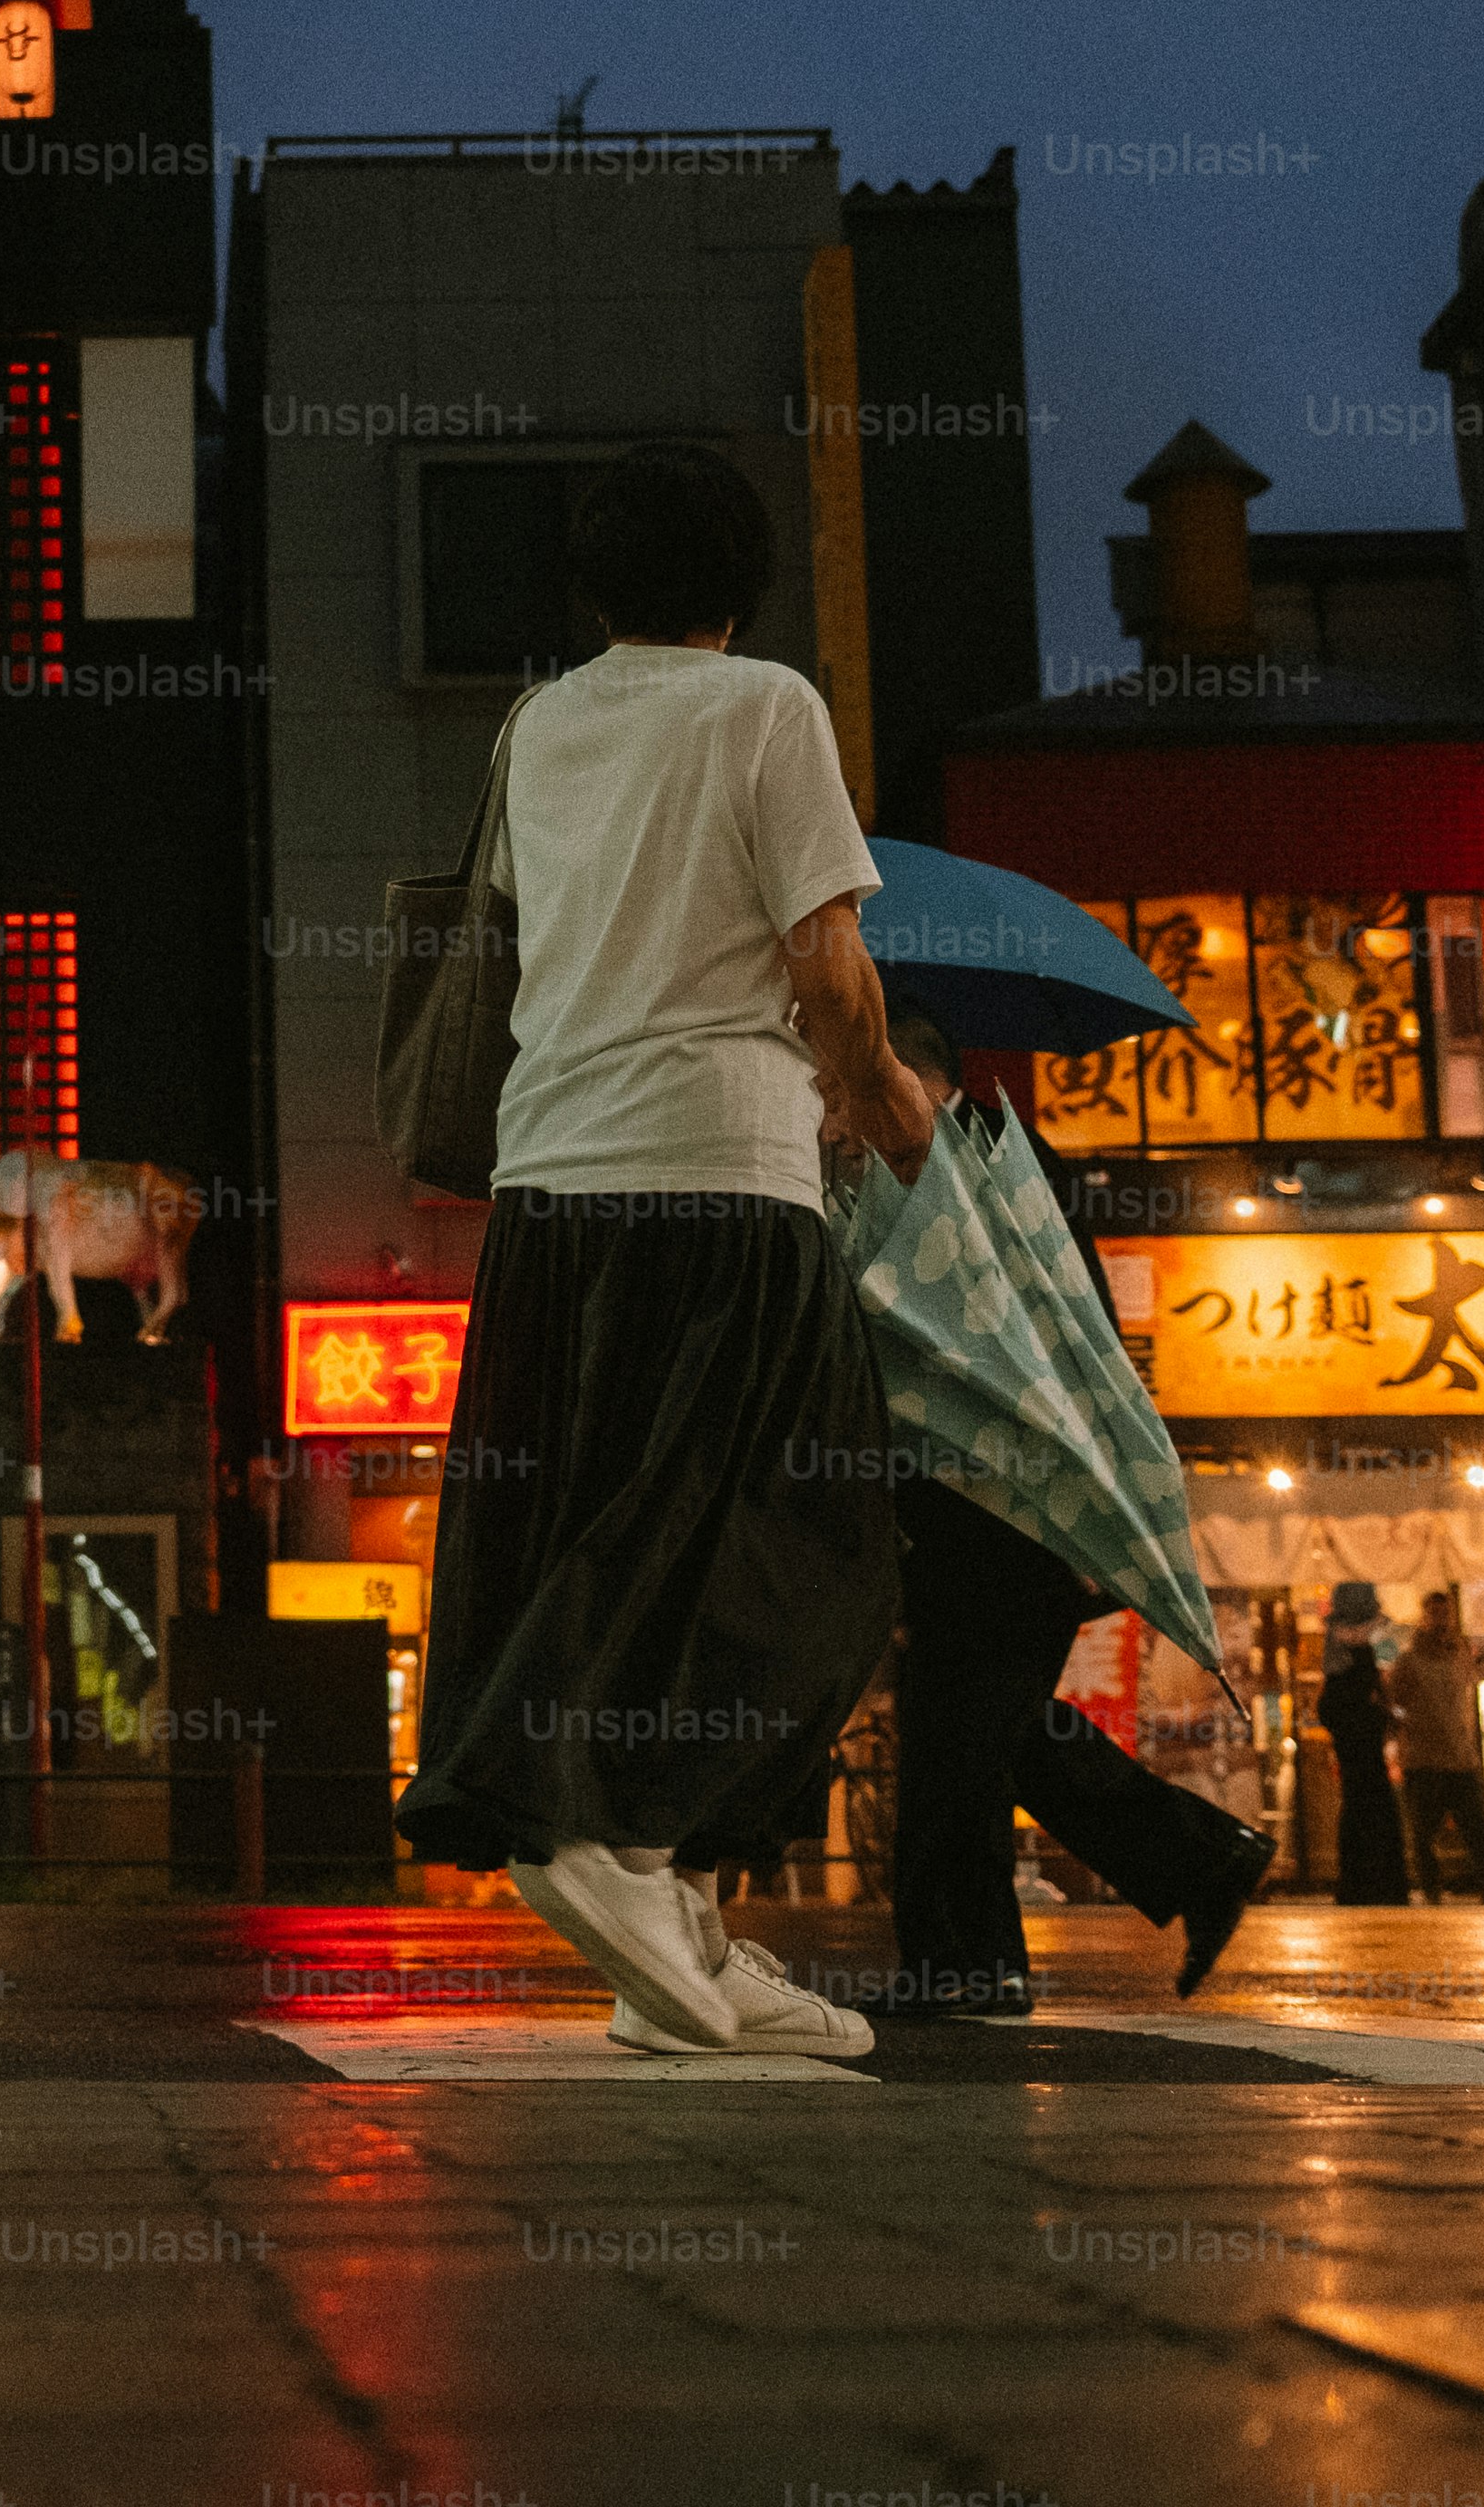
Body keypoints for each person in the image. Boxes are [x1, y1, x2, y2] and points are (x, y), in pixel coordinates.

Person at [397, 443, 926, 2059]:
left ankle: (680, 1932)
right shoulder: (767, 708)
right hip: (724, 1178)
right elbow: (826, 962)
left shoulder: (539, 722)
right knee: (812, 1546)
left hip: (551, 1191)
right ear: (740, 586)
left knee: (607, 1520)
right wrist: (894, 1111)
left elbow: (523, 933)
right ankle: (604, 1840)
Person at [853, 1008, 1277, 2014]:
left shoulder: (989, 1178)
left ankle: (969, 1963)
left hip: (1008, 1517)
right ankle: (1195, 1861)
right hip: (987, 1517)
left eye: (848, 1089)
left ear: (908, 1079)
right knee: (987, 1728)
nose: (836, 1114)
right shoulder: (960, 1174)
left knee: (960, 1736)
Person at [1389, 1586, 1484, 1903]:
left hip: (1460, 1758)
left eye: (1446, 1613)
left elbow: (1465, 1699)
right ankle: (1431, 1890)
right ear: (1424, 1617)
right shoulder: (1410, 1661)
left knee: (1477, 1830)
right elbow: (1395, 1703)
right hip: (1424, 1759)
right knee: (1424, 1833)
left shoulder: (1460, 1655)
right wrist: (1409, 1724)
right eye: (1435, 1613)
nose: (1441, 1620)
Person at [1313, 1620, 1410, 1906]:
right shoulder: (1359, 1676)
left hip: (1357, 1760)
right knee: (1374, 1816)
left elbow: (1327, 1710)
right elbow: (1385, 1711)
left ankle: (1359, 1885)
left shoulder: (1340, 1679)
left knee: (1358, 1816)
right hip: (1365, 1760)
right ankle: (1383, 1886)